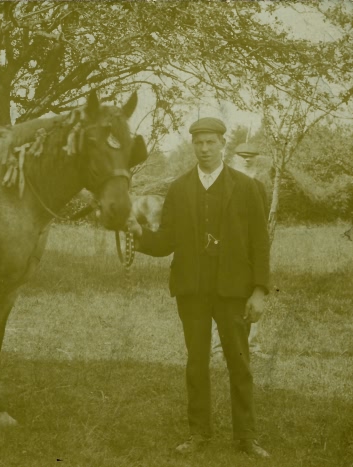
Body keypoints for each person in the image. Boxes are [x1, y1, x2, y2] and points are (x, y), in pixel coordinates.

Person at [127, 117, 271, 458]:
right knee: (196, 362)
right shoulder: (179, 188)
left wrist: (260, 290)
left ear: (223, 144)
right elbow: (166, 242)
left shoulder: (248, 188)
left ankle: (246, 437)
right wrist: (137, 232)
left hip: (234, 290)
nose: (204, 149)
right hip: (192, 290)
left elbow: (260, 244)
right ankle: (198, 434)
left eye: (210, 142)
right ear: (193, 145)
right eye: (198, 143)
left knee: (239, 362)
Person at [212, 143, 271, 358]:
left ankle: (252, 346)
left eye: (251, 156)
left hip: (250, 255)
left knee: (253, 298)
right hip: (223, 254)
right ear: (233, 158)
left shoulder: (259, 187)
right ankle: (218, 348)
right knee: (219, 300)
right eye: (243, 156)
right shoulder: (220, 185)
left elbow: (261, 227)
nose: (247, 160)